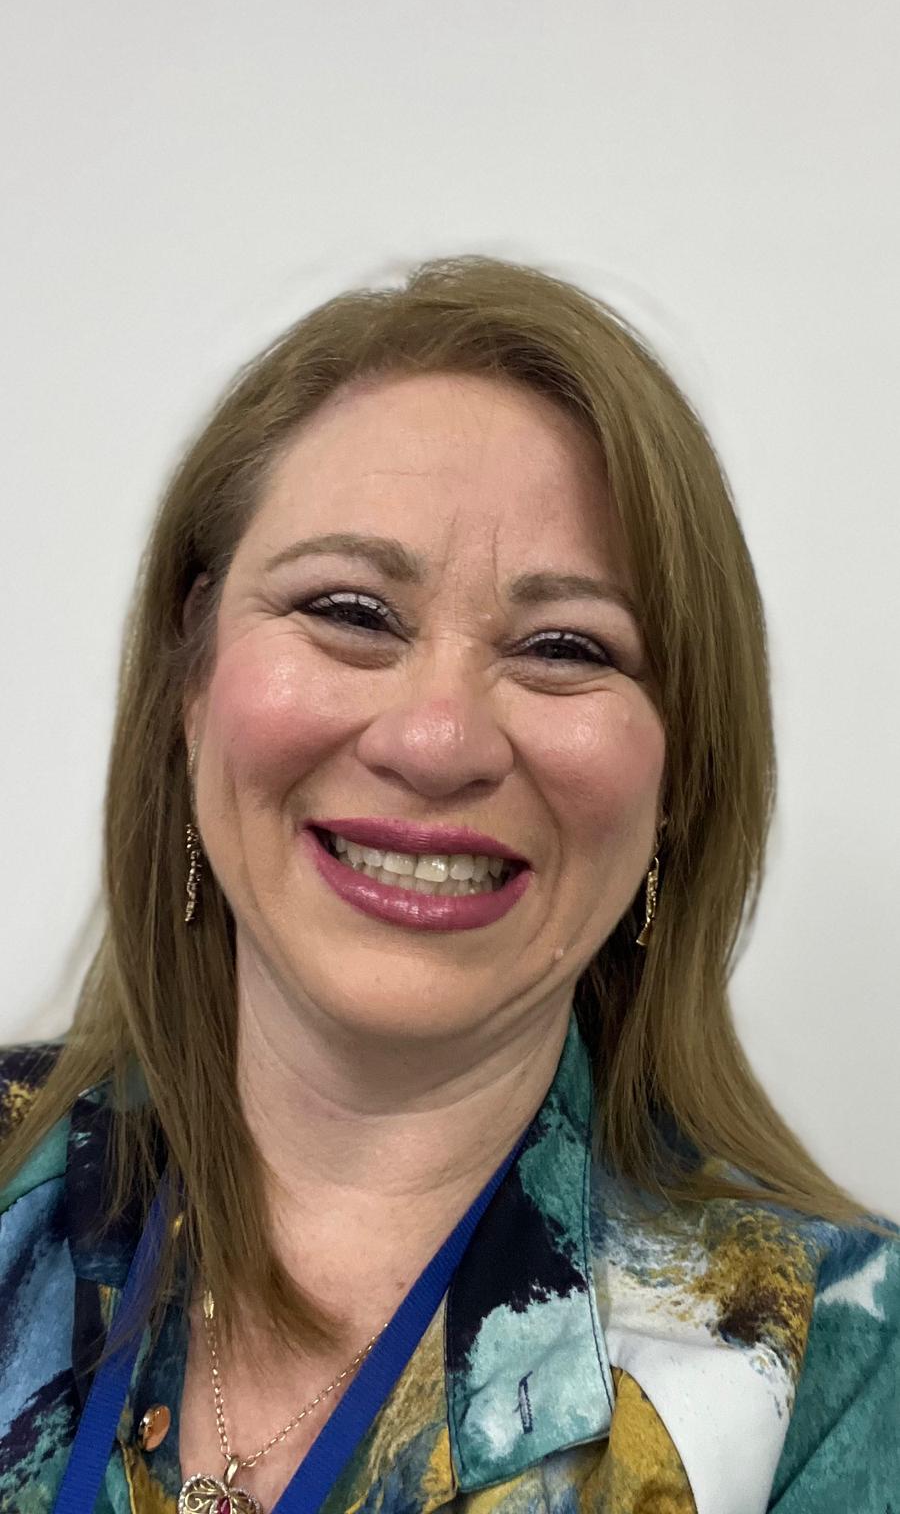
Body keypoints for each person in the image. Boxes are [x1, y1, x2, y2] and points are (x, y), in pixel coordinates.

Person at [0, 256, 896, 1514]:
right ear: (192, 678)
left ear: (678, 776)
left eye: (565, 646)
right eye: (352, 610)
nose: (437, 740)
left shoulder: (840, 1382)